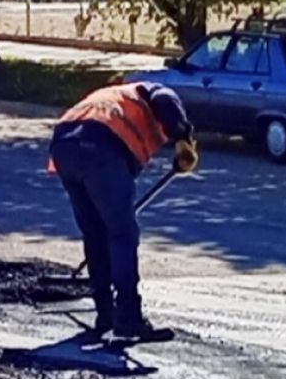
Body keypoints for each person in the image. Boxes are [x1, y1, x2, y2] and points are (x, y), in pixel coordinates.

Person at [48, 80, 198, 341]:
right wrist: (184, 140)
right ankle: (128, 318)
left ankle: (105, 313)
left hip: (64, 145)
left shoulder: (115, 97)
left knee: (95, 234)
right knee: (121, 234)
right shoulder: (152, 92)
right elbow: (165, 99)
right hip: (98, 147)